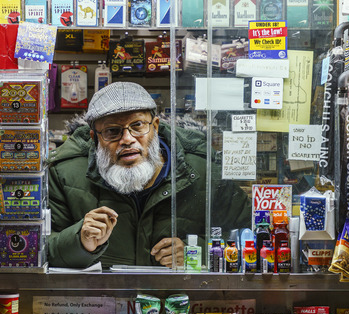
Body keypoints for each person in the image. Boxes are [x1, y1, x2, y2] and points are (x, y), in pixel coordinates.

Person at [47, 82, 252, 268]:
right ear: (95, 138)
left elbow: (249, 237)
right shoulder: (64, 174)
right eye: (112, 131)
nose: (127, 139)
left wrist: (196, 251)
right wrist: (80, 241)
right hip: (98, 304)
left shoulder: (202, 170)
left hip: (182, 303)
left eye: (137, 126)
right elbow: (37, 250)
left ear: (155, 127)